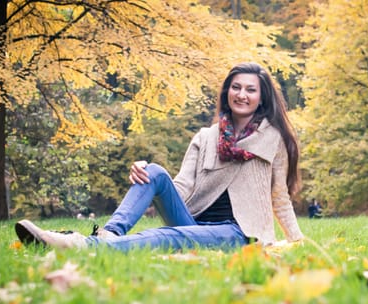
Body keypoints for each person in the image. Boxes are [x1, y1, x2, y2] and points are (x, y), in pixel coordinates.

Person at [15, 62, 305, 252]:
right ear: (228, 91)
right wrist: (145, 176)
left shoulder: (273, 139)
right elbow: (180, 188)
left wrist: (297, 240)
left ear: (262, 97)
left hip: (238, 233)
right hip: (194, 220)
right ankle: (110, 234)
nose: (242, 94)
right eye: (236, 87)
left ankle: (81, 246)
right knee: (152, 170)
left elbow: (279, 196)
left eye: (250, 90)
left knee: (170, 238)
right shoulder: (206, 137)